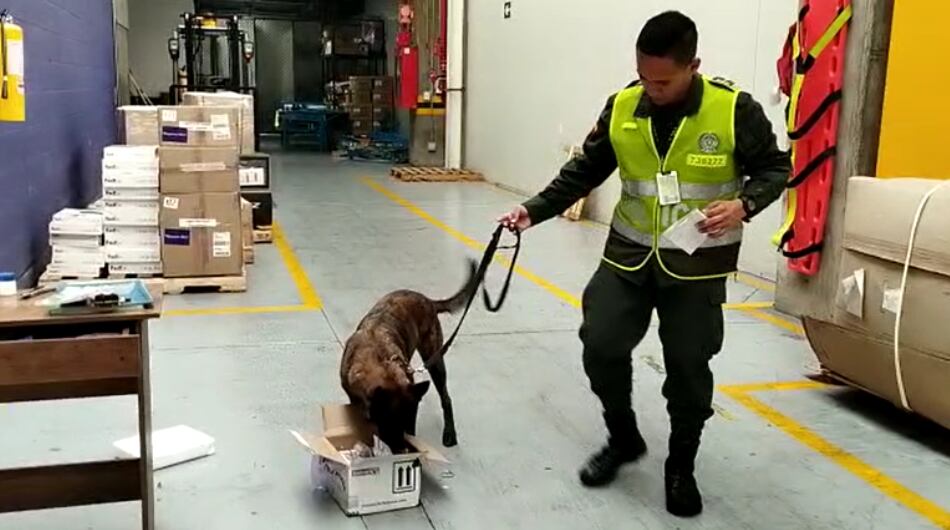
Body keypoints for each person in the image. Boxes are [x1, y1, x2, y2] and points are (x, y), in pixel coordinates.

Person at [498, 11, 790, 517]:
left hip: (696, 267)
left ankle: (680, 465)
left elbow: (775, 167)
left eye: (663, 81)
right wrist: (533, 210)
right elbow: (584, 170)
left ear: (693, 66)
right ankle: (624, 436)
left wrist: (744, 204)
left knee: (688, 368)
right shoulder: (622, 107)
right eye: (643, 77)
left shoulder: (733, 109)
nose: (650, 89)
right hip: (628, 256)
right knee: (601, 342)